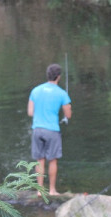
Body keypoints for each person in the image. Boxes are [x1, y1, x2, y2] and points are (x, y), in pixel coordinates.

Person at [27, 63, 72, 196]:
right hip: (52, 130)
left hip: (37, 130)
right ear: (58, 77)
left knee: (39, 160)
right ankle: (52, 190)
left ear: (47, 75)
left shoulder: (35, 90)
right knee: (52, 160)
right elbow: (68, 115)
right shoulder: (62, 93)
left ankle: (39, 190)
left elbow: (30, 112)